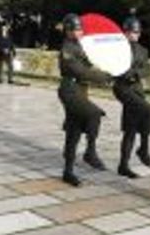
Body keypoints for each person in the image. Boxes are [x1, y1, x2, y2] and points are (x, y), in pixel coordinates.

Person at [57, 13, 111, 186]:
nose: (78, 32)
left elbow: (90, 63)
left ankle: (68, 172)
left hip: (80, 90)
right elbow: (81, 71)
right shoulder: (67, 49)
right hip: (69, 90)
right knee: (94, 113)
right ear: (67, 31)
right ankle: (90, 152)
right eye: (74, 29)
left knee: (74, 129)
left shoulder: (80, 47)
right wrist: (105, 77)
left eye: (80, 29)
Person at [114, 17, 150, 179]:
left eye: (137, 32)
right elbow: (114, 68)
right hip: (122, 88)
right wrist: (127, 74)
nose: (135, 35)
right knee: (149, 110)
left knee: (131, 128)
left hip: (137, 90)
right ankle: (144, 148)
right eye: (132, 32)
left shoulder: (142, 50)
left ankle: (123, 165)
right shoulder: (117, 48)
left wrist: (135, 73)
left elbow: (146, 69)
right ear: (124, 32)